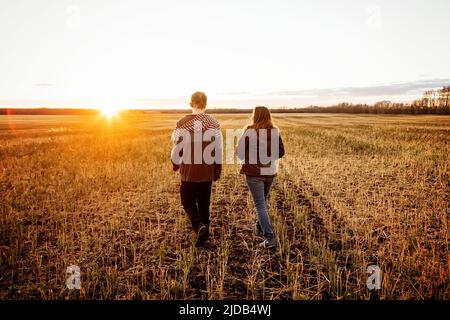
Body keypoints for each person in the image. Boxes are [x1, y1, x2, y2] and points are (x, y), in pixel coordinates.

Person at [171, 91, 222, 247]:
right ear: (205, 104)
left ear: (191, 104)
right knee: (204, 201)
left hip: (189, 169)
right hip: (207, 168)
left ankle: (199, 227)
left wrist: (175, 163)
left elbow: (176, 147)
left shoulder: (181, 123)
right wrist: (217, 168)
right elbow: (218, 148)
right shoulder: (214, 123)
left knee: (186, 199)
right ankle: (205, 231)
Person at [237, 106, 285, 249]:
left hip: (254, 173)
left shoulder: (250, 130)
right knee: (263, 201)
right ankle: (258, 226)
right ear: (268, 116)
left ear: (254, 115)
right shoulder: (274, 131)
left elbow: (239, 152)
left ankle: (270, 238)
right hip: (270, 172)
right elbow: (281, 152)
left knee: (260, 204)